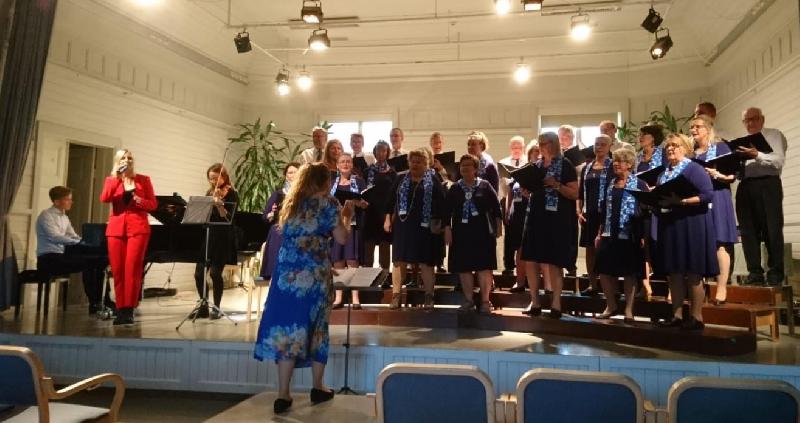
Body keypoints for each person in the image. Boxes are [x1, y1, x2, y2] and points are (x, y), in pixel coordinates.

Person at [254, 162, 354, 414]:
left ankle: (283, 394)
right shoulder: (329, 203)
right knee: (317, 329)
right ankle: (318, 387)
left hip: (286, 276)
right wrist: (347, 216)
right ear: (324, 181)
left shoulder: (291, 202)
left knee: (288, 329)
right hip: (314, 277)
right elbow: (342, 238)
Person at [654, 134, 718, 330]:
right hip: (671, 225)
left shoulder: (694, 169)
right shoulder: (663, 174)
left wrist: (682, 201)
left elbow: (707, 195)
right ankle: (677, 315)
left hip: (692, 224)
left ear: (686, 148)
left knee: (693, 272)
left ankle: (696, 317)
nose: (670, 148)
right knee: (674, 272)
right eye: (668, 146)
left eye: (675, 145)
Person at [520, 132, 579, 319]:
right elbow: (533, 190)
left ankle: (556, 304)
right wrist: (526, 191)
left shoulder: (565, 164)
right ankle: (535, 302)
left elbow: (575, 193)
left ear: (554, 144)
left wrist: (556, 185)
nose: (541, 147)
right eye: (539, 143)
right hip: (536, 217)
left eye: (544, 143)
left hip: (557, 219)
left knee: (554, 261)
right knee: (530, 259)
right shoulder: (536, 166)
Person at [100, 149, 156, 325]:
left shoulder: (143, 180)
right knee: (117, 270)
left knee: (132, 269)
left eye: (130, 157)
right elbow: (105, 198)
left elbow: (153, 204)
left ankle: (128, 309)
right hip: (116, 230)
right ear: (118, 161)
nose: (127, 160)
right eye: (123, 158)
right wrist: (117, 177)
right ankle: (120, 307)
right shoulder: (111, 180)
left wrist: (138, 200)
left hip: (138, 229)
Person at [384, 149, 446, 309]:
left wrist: (442, 225)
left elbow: (441, 202)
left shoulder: (433, 179)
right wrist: (387, 219)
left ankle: (429, 296)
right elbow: (390, 201)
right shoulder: (400, 178)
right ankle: (396, 295)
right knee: (399, 260)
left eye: (419, 162)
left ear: (426, 164)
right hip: (403, 226)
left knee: (426, 262)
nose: (415, 164)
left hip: (425, 227)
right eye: (413, 161)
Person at [594, 149, 648, 321]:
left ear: (630, 164)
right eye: (615, 161)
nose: (616, 164)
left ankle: (629, 310)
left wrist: (642, 235)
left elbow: (646, 211)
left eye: (620, 161)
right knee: (604, 271)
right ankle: (611, 305)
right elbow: (604, 210)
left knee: (629, 273)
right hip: (609, 233)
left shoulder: (640, 184)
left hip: (629, 234)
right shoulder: (610, 184)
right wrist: (599, 233)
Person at [35, 186, 108, 314]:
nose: (71, 202)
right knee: (89, 263)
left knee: (98, 261)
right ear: (57, 201)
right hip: (48, 259)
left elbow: (73, 236)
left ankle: (101, 301)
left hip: (61, 256)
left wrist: (85, 243)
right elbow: (55, 237)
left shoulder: (64, 217)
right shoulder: (46, 215)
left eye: (70, 199)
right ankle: (95, 302)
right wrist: (80, 242)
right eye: (67, 199)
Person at [444, 154, 502, 313]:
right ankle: (469, 300)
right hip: (461, 233)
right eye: (462, 165)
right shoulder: (455, 188)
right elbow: (446, 211)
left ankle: (485, 301)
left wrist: (498, 225)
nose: (465, 168)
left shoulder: (485, 185)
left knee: (484, 267)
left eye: (469, 165)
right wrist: (447, 229)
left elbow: (496, 207)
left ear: (475, 169)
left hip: (482, 232)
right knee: (464, 267)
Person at [736, 107, 788, 286]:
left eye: (754, 119)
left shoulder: (774, 135)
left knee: (772, 229)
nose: (750, 123)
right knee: (748, 231)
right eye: (747, 120)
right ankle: (754, 272)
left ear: (762, 119)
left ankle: (775, 272)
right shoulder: (742, 141)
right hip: (745, 185)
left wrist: (757, 154)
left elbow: (778, 161)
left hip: (768, 184)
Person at [691, 115, 738, 304]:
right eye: (692, 127)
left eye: (698, 126)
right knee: (700, 242)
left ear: (708, 129)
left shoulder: (720, 147)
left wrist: (716, 174)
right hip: (698, 198)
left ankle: (721, 287)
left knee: (720, 242)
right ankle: (699, 288)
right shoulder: (692, 153)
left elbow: (732, 175)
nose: (694, 130)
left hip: (718, 196)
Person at [190, 163, 239, 320]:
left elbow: (228, 218)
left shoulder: (232, 194)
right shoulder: (210, 193)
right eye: (210, 179)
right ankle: (203, 306)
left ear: (224, 177)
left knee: (215, 273)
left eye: (216, 178)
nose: (213, 182)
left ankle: (216, 308)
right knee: (199, 273)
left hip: (223, 237)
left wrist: (219, 205)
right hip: (209, 235)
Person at [330, 153, 368, 309]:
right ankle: (338, 297)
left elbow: (366, 202)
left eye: (348, 162)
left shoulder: (359, 182)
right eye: (342, 162)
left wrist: (359, 202)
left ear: (352, 165)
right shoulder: (332, 183)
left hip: (352, 225)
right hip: (335, 225)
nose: (345, 164)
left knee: (352, 260)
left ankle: (355, 297)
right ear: (337, 165)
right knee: (338, 260)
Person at [577, 135, 613, 297]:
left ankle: (611, 287)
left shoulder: (613, 166)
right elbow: (580, 193)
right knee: (590, 249)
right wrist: (579, 211)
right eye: (597, 144)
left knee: (607, 250)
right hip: (588, 213)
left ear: (609, 147)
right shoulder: (587, 167)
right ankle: (593, 284)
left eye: (603, 144)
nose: (599, 147)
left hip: (607, 213)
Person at [509, 142, 541, 293]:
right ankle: (520, 281)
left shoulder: (542, 172)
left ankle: (538, 284)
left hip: (535, 213)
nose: (537, 155)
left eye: (539, 153)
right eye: (534, 153)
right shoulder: (522, 170)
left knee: (536, 249)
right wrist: (508, 211)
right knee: (519, 248)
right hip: (519, 213)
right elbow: (511, 191)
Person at [260, 163, 300, 281]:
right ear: (286, 175)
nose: (292, 175)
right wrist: (272, 213)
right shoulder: (278, 194)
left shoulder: (304, 194)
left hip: (296, 233)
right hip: (279, 232)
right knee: (276, 271)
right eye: (290, 172)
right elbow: (265, 217)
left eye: (296, 172)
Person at [362, 141, 396, 273]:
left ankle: (385, 276)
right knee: (368, 247)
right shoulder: (367, 171)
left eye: (383, 150)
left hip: (385, 213)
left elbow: (394, 195)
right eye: (378, 150)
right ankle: (367, 275)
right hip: (370, 212)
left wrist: (391, 214)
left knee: (384, 246)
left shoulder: (392, 173)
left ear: (387, 153)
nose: (381, 153)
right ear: (374, 152)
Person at [498, 136, 528, 275]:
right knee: (509, 233)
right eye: (514, 147)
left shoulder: (527, 162)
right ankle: (509, 265)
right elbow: (501, 184)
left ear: (523, 148)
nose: (516, 150)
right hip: (507, 198)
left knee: (523, 233)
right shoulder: (503, 163)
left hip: (523, 200)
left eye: (519, 147)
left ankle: (523, 265)